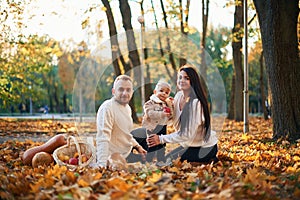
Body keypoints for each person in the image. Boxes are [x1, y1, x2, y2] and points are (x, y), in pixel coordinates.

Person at [147, 65, 218, 164]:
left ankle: (210, 158)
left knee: (168, 163)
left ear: (193, 81)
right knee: (165, 161)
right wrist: (159, 113)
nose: (182, 80)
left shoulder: (196, 103)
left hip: (205, 148)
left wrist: (160, 139)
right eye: (180, 77)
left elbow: (186, 134)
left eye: (186, 78)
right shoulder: (178, 96)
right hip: (188, 145)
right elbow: (173, 119)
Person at [96, 74, 147, 167]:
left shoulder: (127, 108)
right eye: (121, 89)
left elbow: (126, 134)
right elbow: (103, 138)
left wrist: (138, 146)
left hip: (126, 150)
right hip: (114, 156)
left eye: (128, 90)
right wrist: (101, 165)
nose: (125, 93)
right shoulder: (107, 108)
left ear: (132, 92)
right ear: (113, 91)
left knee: (145, 132)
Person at [141, 81, 174, 162]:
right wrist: (161, 114)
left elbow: (171, 115)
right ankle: (148, 161)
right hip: (152, 127)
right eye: (161, 91)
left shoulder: (166, 104)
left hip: (163, 126)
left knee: (162, 145)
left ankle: (161, 160)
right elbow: (150, 113)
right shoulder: (150, 103)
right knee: (152, 145)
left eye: (166, 92)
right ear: (155, 92)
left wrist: (171, 104)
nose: (163, 93)